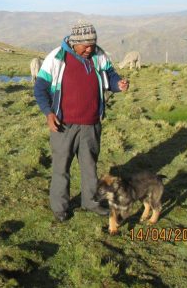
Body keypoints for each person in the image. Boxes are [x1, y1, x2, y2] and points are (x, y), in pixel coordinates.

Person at [34, 21, 129, 222]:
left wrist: (118, 84)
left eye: (92, 45)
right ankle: (60, 208)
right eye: (85, 46)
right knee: (61, 168)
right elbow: (40, 88)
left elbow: (110, 75)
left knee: (90, 167)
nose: (89, 49)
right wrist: (48, 113)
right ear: (74, 42)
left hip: (91, 124)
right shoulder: (56, 57)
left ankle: (91, 202)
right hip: (63, 125)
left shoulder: (99, 55)